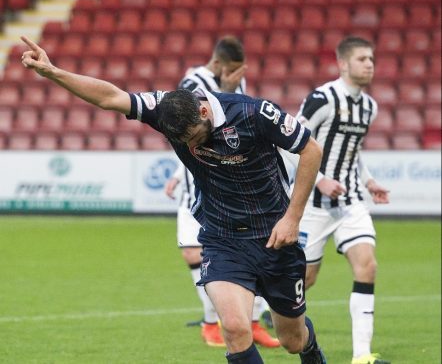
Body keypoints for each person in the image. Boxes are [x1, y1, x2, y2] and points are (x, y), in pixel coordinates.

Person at [21, 35, 326, 364]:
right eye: (184, 143)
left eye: (195, 137)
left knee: (291, 340)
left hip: (274, 237)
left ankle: (311, 351)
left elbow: (310, 149)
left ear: (204, 111)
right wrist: (54, 73)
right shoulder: (163, 109)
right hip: (223, 239)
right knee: (236, 329)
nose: (192, 147)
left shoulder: (254, 114)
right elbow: (110, 97)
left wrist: (292, 218)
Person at [167, 35, 278, 348]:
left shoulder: (233, 83)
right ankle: (212, 322)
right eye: (230, 72)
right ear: (217, 64)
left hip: (234, 184)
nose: (235, 78)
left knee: (251, 252)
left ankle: (253, 322)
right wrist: (179, 173)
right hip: (202, 185)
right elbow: (191, 129)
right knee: (196, 252)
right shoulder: (193, 83)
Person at [291, 36, 390, 364]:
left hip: (351, 202)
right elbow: (288, 143)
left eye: (371, 59)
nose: (369, 64)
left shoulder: (369, 107)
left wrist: (369, 179)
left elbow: (353, 151)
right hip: (313, 205)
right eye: (362, 59)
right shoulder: (322, 99)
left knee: (368, 266)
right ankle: (264, 307)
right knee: (306, 279)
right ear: (343, 64)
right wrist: (319, 181)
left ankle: (362, 355)